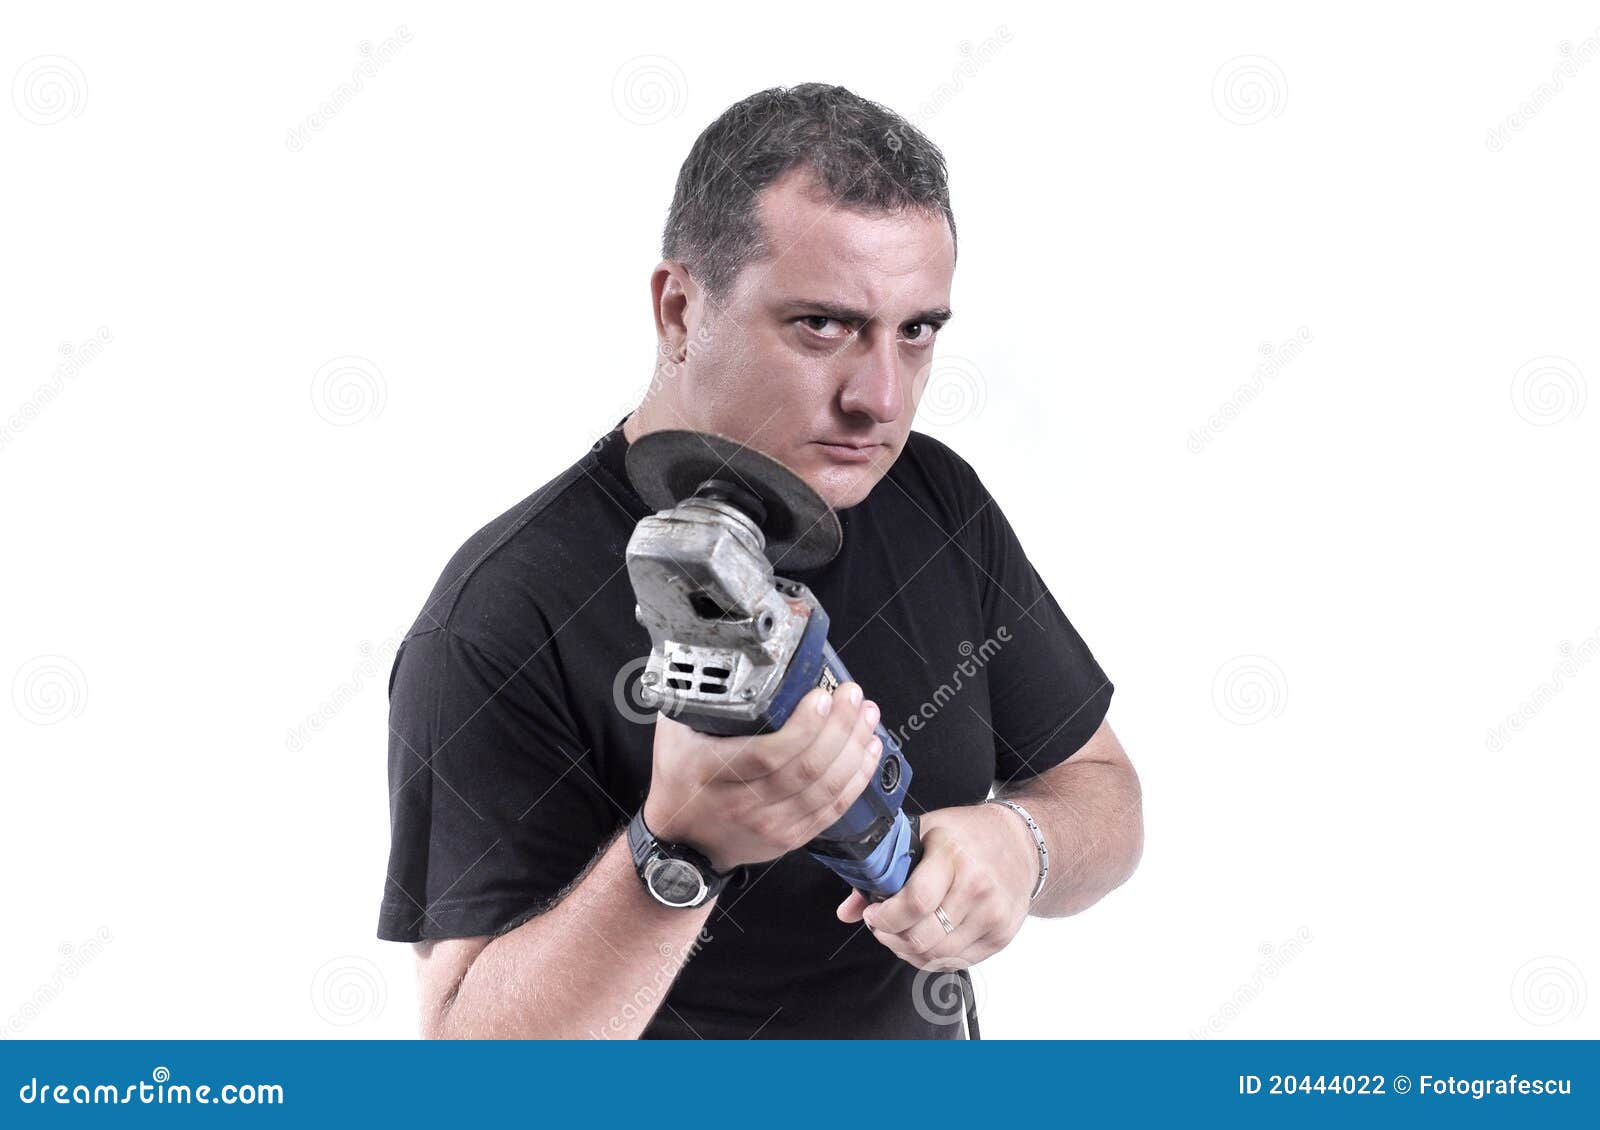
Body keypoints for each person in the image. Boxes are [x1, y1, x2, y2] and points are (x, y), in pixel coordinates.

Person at [377, 83, 1143, 1039]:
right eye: (823, 324)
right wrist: (678, 850)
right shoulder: (501, 614)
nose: (881, 398)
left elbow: (1105, 790)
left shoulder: (934, 498)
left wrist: (1023, 844)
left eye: (916, 331)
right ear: (680, 310)